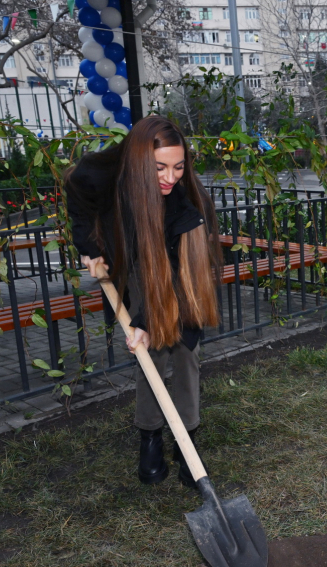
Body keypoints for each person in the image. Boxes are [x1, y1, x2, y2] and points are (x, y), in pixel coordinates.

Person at [64, 116, 222, 488]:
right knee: (151, 354)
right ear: (137, 161)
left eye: (178, 167)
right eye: (160, 167)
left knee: (184, 350)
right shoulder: (101, 175)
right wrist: (89, 247)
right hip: (134, 260)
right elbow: (79, 199)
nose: (170, 177)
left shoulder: (185, 205)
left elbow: (178, 276)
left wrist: (149, 322)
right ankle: (149, 436)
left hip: (177, 268)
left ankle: (186, 441)